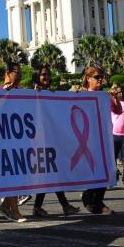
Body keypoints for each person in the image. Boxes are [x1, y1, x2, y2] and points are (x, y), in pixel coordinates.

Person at [31, 64, 81, 217]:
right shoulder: (32, 94)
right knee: (51, 173)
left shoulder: (50, 93)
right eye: (43, 75)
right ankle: (62, 206)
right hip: (39, 141)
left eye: (47, 74)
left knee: (52, 173)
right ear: (37, 77)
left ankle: (42, 207)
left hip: (52, 139)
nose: (46, 77)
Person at [77, 66, 118, 214]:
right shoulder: (80, 93)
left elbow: (118, 111)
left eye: (101, 77)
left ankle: (93, 198)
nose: (100, 80)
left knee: (109, 170)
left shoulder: (104, 96)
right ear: (88, 79)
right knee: (95, 169)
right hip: (86, 138)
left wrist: (115, 98)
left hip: (103, 138)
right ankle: (93, 200)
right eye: (97, 77)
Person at [0, 62, 28, 222]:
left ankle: (6, 207)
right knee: (12, 175)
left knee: (16, 175)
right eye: (17, 72)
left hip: (20, 140)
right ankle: (14, 210)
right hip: (3, 141)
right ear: (7, 73)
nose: (20, 75)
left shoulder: (22, 92)